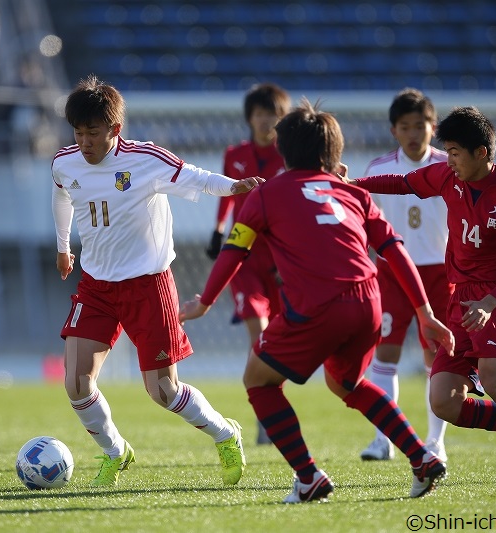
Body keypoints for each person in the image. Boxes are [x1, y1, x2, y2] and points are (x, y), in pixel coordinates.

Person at [181, 99, 454, 503]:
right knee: (349, 383)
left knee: (258, 380)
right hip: (368, 302)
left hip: (319, 304)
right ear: (334, 154)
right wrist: (425, 311)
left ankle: (307, 476)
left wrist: (205, 300)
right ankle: (422, 457)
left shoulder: (267, 194)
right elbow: (395, 250)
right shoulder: (354, 194)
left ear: (283, 151)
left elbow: (233, 250)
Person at [351, 106, 496, 483]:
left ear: (481, 153)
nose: (449, 159)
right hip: (461, 301)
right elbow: (402, 183)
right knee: (443, 400)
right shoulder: (448, 177)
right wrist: (346, 186)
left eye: (456, 152)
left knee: (495, 378)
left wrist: (491, 303)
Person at [51, 74, 258, 488]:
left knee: (163, 391)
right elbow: (60, 194)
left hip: (148, 285)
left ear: (115, 129)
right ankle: (115, 451)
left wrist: (235, 187)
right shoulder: (64, 162)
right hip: (96, 285)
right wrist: (63, 246)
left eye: (93, 133)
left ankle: (224, 433)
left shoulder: (147, 160)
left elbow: (197, 177)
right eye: (78, 133)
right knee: (76, 383)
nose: (84, 142)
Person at [360, 88, 453, 463]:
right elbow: (369, 224)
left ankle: (435, 441)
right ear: (393, 130)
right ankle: (382, 440)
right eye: (405, 126)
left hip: (441, 274)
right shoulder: (378, 170)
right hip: (392, 273)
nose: (414, 132)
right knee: (386, 352)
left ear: (433, 127)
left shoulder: (451, 166)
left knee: (438, 357)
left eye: (421, 125)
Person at [205, 82, 291, 445]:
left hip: (280, 256)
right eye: (259, 114)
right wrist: (218, 229)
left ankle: (271, 407)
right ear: (249, 118)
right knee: (259, 331)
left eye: (272, 114)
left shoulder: (290, 156)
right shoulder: (234, 154)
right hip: (243, 253)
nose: (265, 120)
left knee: (278, 336)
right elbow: (228, 194)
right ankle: (265, 420)